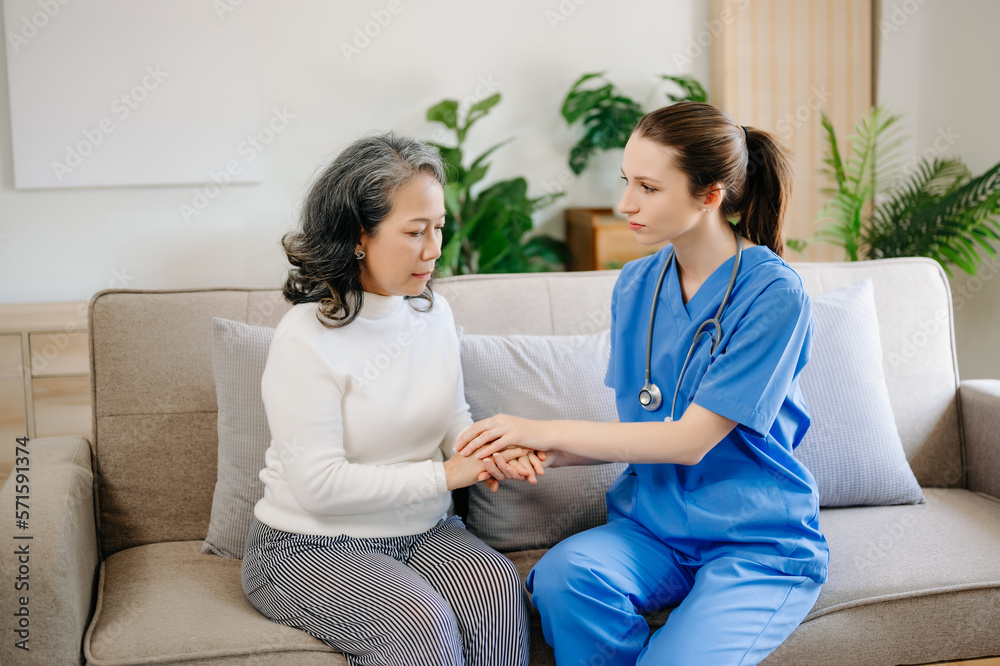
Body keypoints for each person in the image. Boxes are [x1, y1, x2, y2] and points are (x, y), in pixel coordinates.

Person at [455, 102, 830, 665]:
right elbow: (643, 429)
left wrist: (545, 427)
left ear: (710, 195)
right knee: (563, 578)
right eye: (627, 180)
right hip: (652, 530)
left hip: (755, 540)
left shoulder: (774, 294)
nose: (625, 203)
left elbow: (688, 440)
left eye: (649, 188)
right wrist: (541, 452)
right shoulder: (636, 284)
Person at [240, 132, 539, 666]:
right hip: (305, 543)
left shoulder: (432, 314)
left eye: (439, 228)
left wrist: (483, 449)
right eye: (415, 231)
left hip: (421, 528)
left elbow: (451, 417)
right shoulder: (304, 338)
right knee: (419, 623)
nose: (435, 250)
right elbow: (319, 487)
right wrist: (448, 476)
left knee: (497, 594)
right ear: (360, 236)